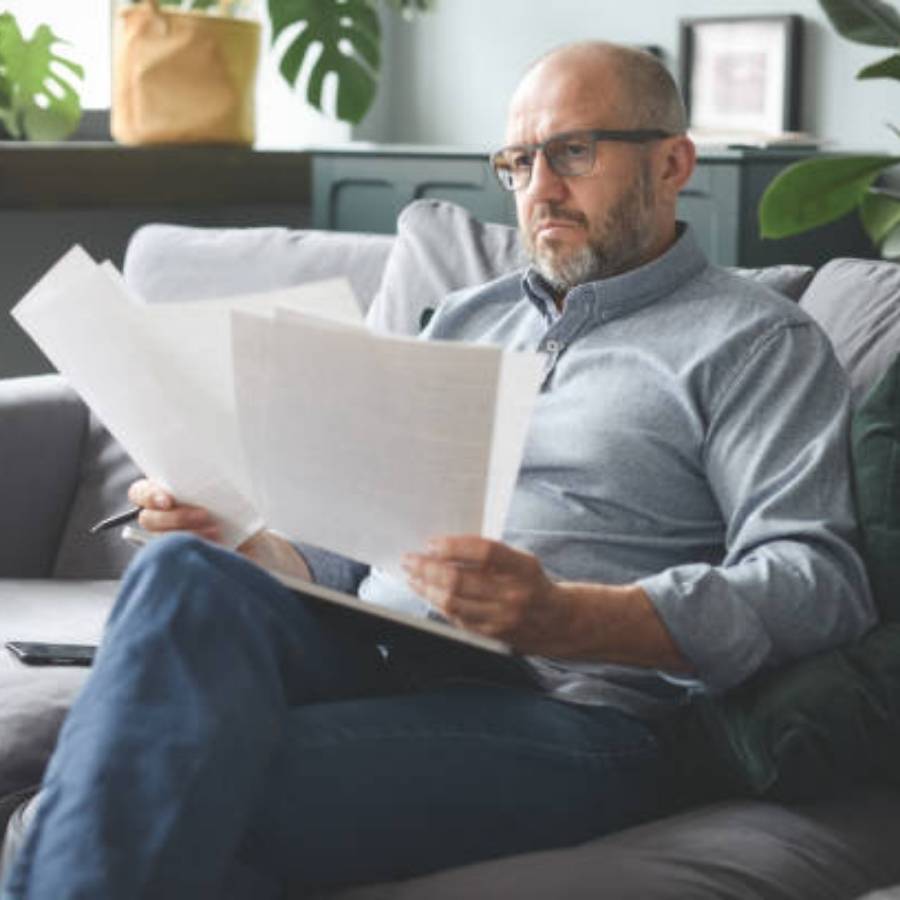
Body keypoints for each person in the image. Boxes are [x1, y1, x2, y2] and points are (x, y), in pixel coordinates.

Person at [3, 41, 874, 899]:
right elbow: (357, 545)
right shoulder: (464, 317)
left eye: (573, 151)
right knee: (186, 567)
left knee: (160, 791)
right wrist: (247, 536)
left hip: (570, 709)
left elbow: (815, 579)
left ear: (673, 161)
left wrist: (569, 614)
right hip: (381, 649)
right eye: (519, 160)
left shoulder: (755, 340)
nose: (541, 186)